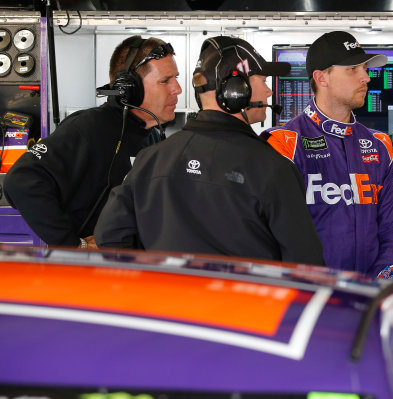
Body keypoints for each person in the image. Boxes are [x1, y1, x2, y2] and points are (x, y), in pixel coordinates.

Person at [94, 36, 324, 266]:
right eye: (262, 81)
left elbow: (111, 236)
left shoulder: (150, 159)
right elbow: (306, 265)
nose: (268, 92)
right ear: (235, 90)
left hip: (168, 299)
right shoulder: (273, 168)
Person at [4, 35, 181, 249]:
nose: (177, 89)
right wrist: (74, 246)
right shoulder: (88, 127)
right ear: (129, 88)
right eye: (165, 80)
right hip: (95, 276)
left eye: (176, 78)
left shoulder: (151, 134)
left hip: (133, 270)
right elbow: (21, 181)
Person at [261, 31, 393, 279]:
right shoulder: (283, 144)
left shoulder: (379, 145)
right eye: (353, 69)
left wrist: (378, 284)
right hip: (308, 300)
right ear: (322, 78)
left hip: (367, 300)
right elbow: (268, 236)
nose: (366, 77)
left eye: (365, 68)